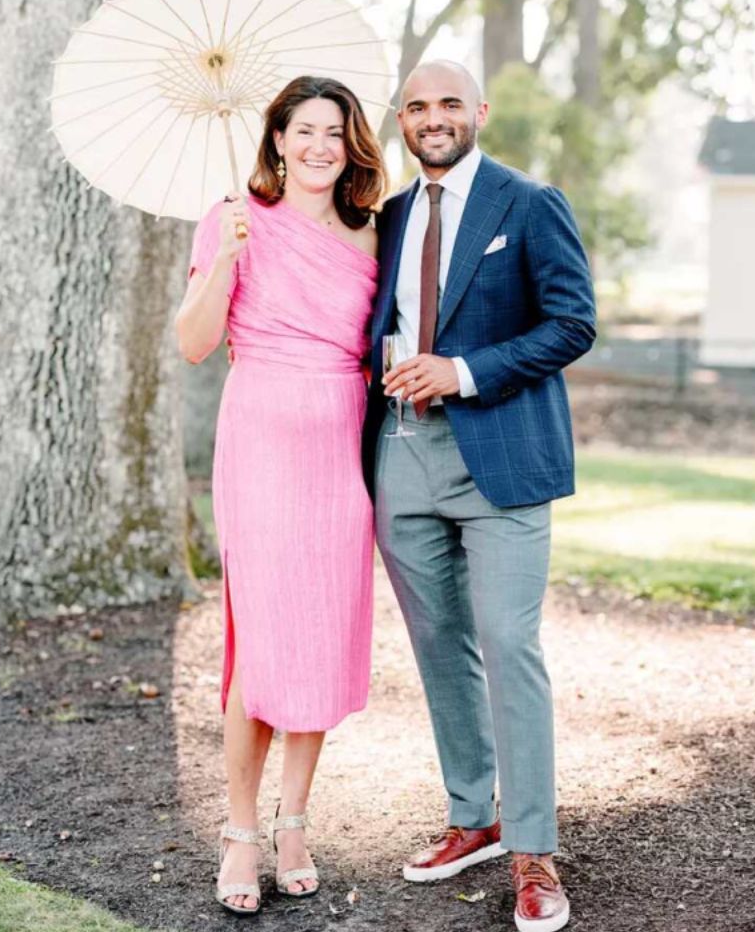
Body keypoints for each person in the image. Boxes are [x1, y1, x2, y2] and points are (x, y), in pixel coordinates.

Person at [363, 60, 595, 932]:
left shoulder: (529, 204)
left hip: (499, 456)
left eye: (448, 103)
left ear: (479, 112)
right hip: (400, 454)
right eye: (417, 106)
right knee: (438, 645)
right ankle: (476, 815)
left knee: (507, 641)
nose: (433, 118)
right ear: (403, 119)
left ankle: (534, 851)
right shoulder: (387, 216)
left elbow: (572, 322)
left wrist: (460, 371)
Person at [176, 76, 386, 916]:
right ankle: (238, 833)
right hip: (259, 436)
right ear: (277, 139)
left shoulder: (374, 236)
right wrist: (225, 255)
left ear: (352, 144)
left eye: (334, 132)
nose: (319, 146)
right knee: (262, 643)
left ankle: (294, 821)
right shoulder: (233, 218)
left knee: (321, 637)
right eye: (304, 130)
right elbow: (195, 344)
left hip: (340, 446)